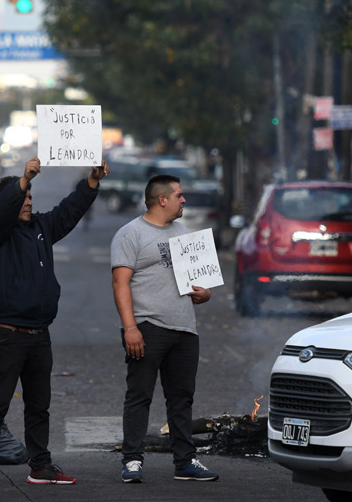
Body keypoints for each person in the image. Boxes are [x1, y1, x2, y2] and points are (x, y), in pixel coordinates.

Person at [0, 156, 108, 487]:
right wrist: (22, 180)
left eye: (31, 196)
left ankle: (41, 466)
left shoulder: (41, 228)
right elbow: (0, 213)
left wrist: (91, 182)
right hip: (7, 333)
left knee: (38, 406)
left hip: (39, 334)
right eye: (23, 197)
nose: (28, 201)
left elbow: (69, 211)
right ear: (5, 203)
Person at [110, 174, 218, 484]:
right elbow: (119, 283)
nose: (184, 200)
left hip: (184, 328)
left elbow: (201, 285)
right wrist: (130, 328)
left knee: (182, 399)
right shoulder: (130, 234)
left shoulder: (184, 233)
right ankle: (132, 460)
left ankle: (185, 461)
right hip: (147, 327)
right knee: (139, 396)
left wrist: (205, 293)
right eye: (179, 195)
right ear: (162, 200)